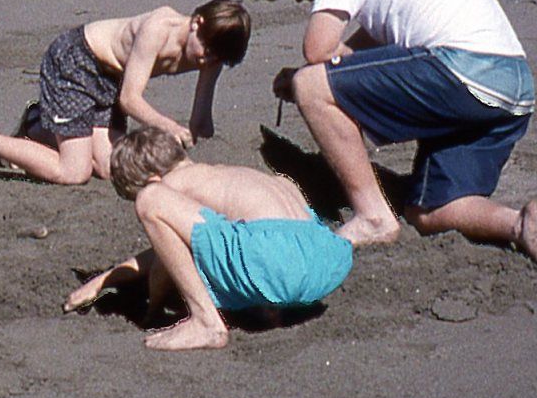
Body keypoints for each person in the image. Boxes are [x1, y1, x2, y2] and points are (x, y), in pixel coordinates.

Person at [245, 0, 537, 271]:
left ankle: (372, 216)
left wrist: (307, 79)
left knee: (310, 85)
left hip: (463, 69)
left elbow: (317, 49)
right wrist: (337, 72)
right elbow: (375, 42)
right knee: (428, 211)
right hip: (512, 88)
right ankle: (519, 224)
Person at [65, 127, 353, 351]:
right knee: (243, 236)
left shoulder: (171, 184)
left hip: (275, 265)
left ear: (152, 177)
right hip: (324, 261)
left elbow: (165, 262)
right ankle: (271, 309)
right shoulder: (230, 176)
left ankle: (205, 322)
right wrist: (106, 280)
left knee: (150, 201)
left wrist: (151, 309)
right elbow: (178, 246)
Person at [0, 0, 251, 186]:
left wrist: (199, 141)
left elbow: (201, 120)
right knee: (74, 172)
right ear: (197, 23)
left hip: (109, 80)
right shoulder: (159, 28)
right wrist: (169, 127)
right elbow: (130, 99)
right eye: (207, 50)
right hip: (76, 63)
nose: (207, 60)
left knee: (110, 167)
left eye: (217, 58)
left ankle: (37, 127)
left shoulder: (212, 56)